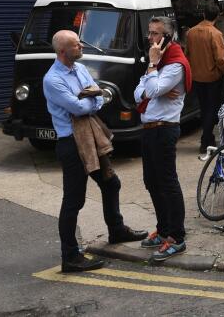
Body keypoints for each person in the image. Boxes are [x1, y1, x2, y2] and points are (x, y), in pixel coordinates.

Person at [44, 29, 147, 273]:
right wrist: (91, 99)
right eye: (76, 45)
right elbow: (78, 107)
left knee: (111, 183)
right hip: (72, 144)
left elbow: (99, 96)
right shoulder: (52, 79)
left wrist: (90, 98)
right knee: (74, 200)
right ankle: (70, 256)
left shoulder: (80, 68)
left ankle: (116, 230)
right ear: (62, 51)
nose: (81, 47)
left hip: (90, 137)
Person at [133, 16, 192, 262]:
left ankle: (177, 237)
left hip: (164, 129)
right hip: (149, 128)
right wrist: (153, 80)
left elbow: (152, 89)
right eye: (149, 33)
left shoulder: (174, 63)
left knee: (167, 183)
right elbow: (138, 93)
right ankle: (163, 229)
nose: (150, 38)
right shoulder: (159, 63)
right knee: (151, 181)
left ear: (168, 36)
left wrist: (152, 67)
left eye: (155, 33)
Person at [185, 0, 224, 153]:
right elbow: (220, 59)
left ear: (203, 14)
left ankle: (207, 138)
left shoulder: (191, 32)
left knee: (204, 108)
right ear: (217, 16)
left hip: (196, 76)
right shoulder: (215, 33)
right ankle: (206, 139)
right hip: (212, 77)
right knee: (211, 108)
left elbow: (187, 54)